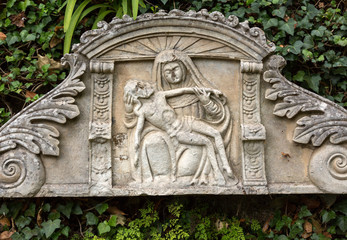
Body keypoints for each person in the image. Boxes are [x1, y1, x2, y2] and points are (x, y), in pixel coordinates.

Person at [124, 49, 233, 185]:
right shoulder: (147, 106)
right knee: (154, 142)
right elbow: (135, 128)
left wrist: (207, 99)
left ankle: (225, 169)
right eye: (167, 72)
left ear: (184, 68)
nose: (173, 74)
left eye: (176, 68)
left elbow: (217, 115)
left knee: (214, 134)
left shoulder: (162, 95)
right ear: (162, 74)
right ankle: (168, 176)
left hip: (189, 125)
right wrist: (129, 112)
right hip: (175, 138)